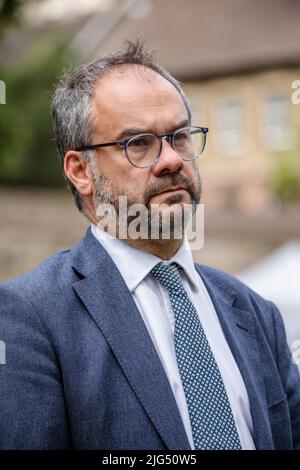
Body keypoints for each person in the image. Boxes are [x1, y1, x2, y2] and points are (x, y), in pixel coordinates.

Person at [0, 40, 299, 451]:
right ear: (80, 171)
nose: (171, 160)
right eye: (138, 143)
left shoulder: (255, 312)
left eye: (178, 136)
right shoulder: (28, 317)